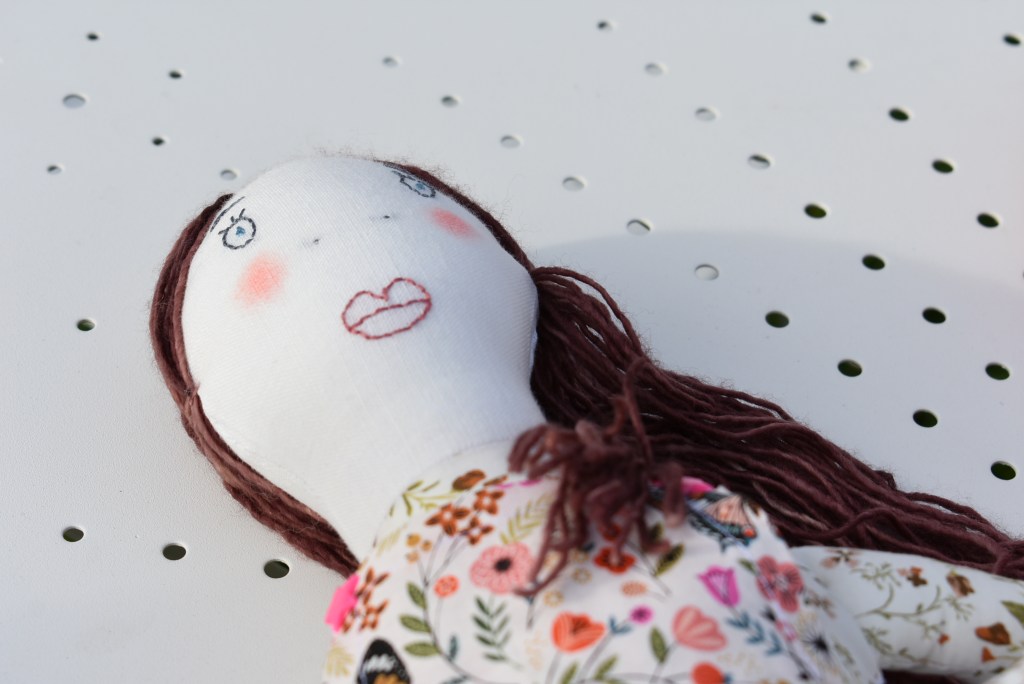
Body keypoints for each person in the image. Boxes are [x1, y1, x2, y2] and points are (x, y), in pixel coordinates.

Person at [151, 155, 1024, 682]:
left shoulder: (383, 631)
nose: (355, 247)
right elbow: (836, 588)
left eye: (403, 201)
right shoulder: (666, 510)